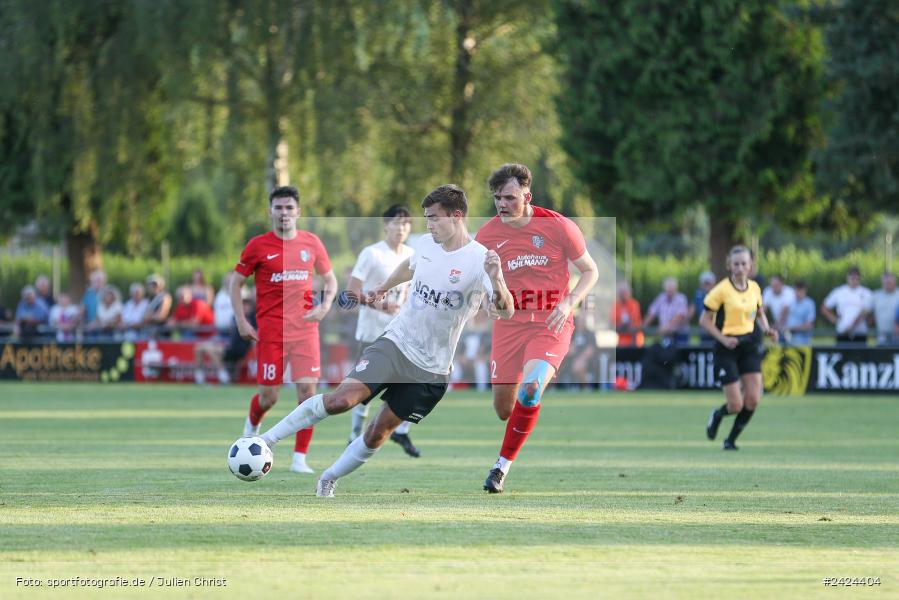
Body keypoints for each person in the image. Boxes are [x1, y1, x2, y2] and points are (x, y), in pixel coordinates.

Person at [256, 184, 514, 497]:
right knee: (341, 400)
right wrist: (382, 287)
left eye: (433, 218)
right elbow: (410, 265)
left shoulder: (481, 259)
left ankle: (328, 478)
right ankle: (264, 441)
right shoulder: (427, 244)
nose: (427, 225)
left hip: (431, 371)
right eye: (426, 219)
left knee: (379, 431)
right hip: (395, 343)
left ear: (456, 216)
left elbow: (506, 309)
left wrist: (498, 279)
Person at [474, 163, 599, 493]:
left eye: (510, 198)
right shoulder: (486, 235)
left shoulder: (558, 226)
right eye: (497, 198)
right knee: (504, 409)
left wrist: (568, 302)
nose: (503, 205)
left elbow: (590, 272)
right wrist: (488, 299)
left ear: (527, 196)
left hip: (551, 323)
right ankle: (521, 420)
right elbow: (481, 282)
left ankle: (500, 468)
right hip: (509, 325)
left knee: (530, 388)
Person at [230, 185, 338, 474]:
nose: (284, 213)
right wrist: (242, 321)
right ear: (270, 212)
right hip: (271, 333)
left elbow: (331, 280)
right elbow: (236, 283)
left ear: (298, 211)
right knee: (270, 397)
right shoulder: (257, 246)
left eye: (289, 207)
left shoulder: (312, 243)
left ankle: (299, 459)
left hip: (305, 332)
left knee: (308, 396)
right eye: (278, 207)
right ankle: (251, 427)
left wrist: (325, 306)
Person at [344, 204, 421, 456]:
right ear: (385, 225)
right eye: (397, 223)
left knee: (418, 384)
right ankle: (354, 435)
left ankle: (400, 431)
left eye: (406, 223)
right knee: (362, 393)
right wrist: (380, 304)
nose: (402, 228)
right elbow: (352, 292)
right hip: (372, 334)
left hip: (402, 334)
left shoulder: (413, 253)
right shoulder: (372, 254)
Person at [703, 246, 778, 450]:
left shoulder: (755, 288)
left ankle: (730, 441)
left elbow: (759, 312)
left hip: (749, 346)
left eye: (744, 263)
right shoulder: (720, 290)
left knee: (753, 400)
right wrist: (723, 339)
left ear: (750, 266)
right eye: (736, 264)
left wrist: (767, 329)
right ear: (729, 265)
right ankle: (718, 414)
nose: (740, 267)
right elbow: (704, 321)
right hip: (726, 347)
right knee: (735, 405)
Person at [195, 294, 256, 385]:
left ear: (251, 307)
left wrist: (254, 356)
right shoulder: (237, 317)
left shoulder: (253, 319)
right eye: (243, 305)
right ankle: (200, 378)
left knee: (209, 350)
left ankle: (224, 377)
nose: (244, 307)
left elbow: (254, 339)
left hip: (239, 350)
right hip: (230, 347)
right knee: (198, 348)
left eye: (246, 305)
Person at [821, 267, 872, 345]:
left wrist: (853, 326)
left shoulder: (867, 293)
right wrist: (835, 320)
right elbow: (824, 308)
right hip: (842, 331)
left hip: (860, 333)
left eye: (856, 278)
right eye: (852, 278)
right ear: (847, 278)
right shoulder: (839, 292)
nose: (854, 280)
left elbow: (866, 312)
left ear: (859, 278)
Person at [644, 277, 689, 346]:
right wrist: (643, 327)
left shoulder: (681, 298)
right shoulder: (660, 298)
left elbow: (679, 316)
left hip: (680, 335)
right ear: (664, 289)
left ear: (676, 289)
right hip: (665, 335)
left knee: (680, 355)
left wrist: (665, 327)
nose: (670, 291)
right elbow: (651, 314)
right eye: (668, 290)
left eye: (672, 289)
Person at [783, 281, 815, 346]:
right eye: (796, 290)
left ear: (804, 291)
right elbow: (784, 320)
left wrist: (792, 329)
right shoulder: (790, 303)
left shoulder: (809, 304)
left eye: (799, 290)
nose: (797, 293)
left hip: (803, 343)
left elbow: (809, 326)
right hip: (788, 342)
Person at [611, 281, 643, 347]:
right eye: (621, 292)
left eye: (624, 292)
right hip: (621, 341)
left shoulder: (634, 304)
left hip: (635, 341)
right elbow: (612, 323)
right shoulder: (616, 305)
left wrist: (622, 325)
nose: (622, 294)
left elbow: (632, 321)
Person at [687, 271, 716, 345]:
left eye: (708, 283)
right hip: (703, 330)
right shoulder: (698, 295)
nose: (707, 286)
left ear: (713, 284)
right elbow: (691, 311)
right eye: (705, 283)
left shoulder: (718, 294)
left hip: (716, 330)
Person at [871, 272, 898, 346]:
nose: (887, 284)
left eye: (890, 282)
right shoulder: (876, 295)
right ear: (882, 282)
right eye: (885, 282)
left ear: (894, 282)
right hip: (881, 337)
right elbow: (869, 314)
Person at [213, 272, 235, 336]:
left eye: (230, 280)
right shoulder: (219, 296)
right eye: (227, 280)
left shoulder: (242, 293)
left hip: (236, 332)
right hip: (220, 331)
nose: (228, 282)